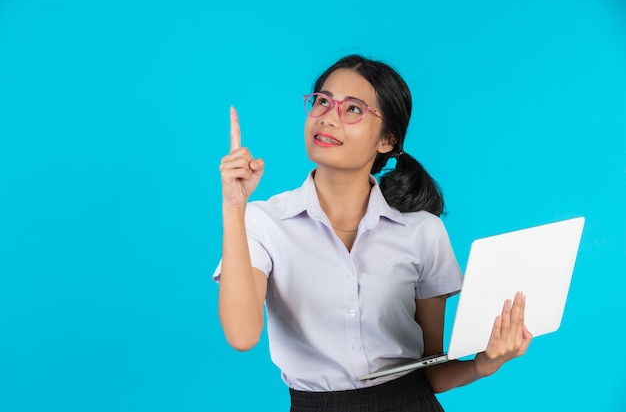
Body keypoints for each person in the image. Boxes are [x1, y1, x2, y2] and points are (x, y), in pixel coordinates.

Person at [214, 54, 532, 411]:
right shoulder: (263, 222)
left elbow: (430, 370)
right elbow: (241, 336)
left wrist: (485, 363)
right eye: (322, 101)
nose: (329, 117)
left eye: (353, 110)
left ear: (387, 140)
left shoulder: (423, 231)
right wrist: (234, 206)